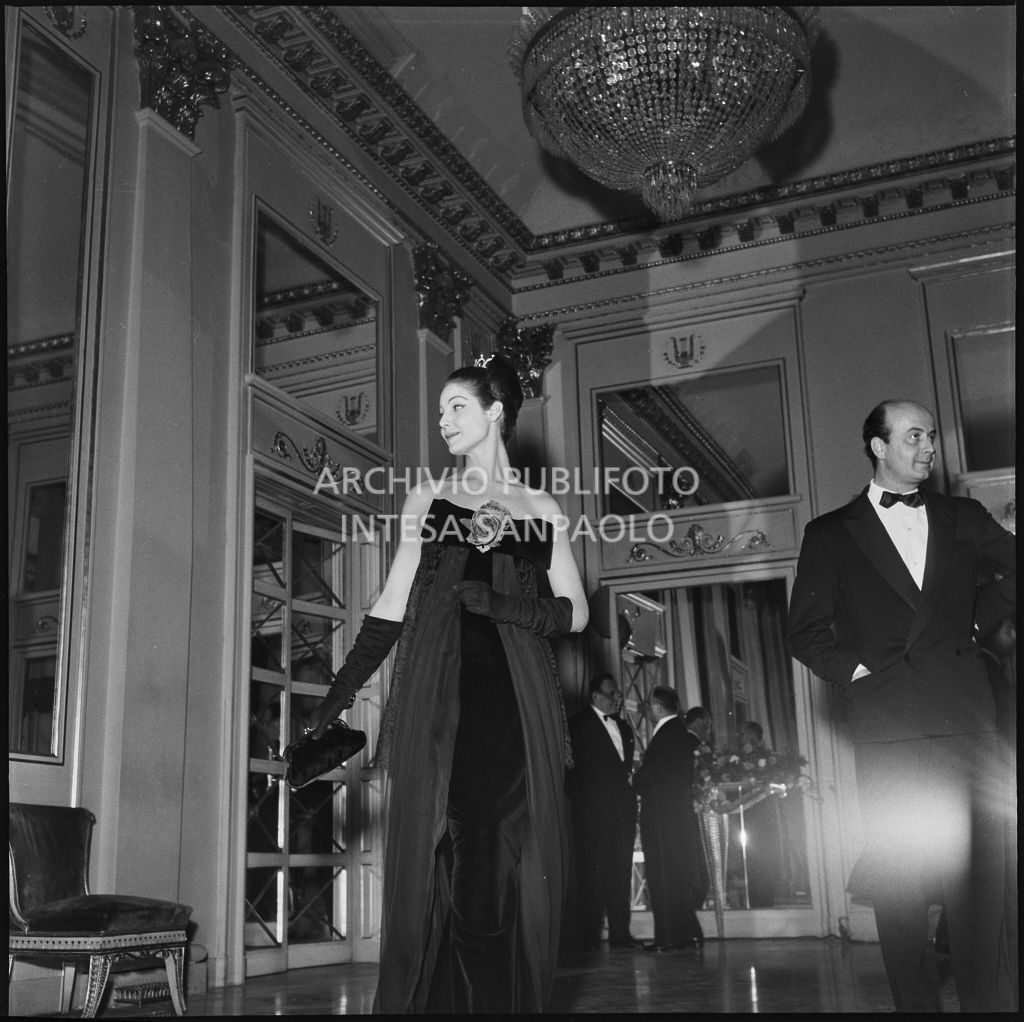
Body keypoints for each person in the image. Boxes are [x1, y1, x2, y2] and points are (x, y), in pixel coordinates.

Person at [306, 354, 588, 1013]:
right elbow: (389, 604)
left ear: (493, 412)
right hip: (439, 708)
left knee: (494, 869)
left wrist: (505, 606)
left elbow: (573, 611)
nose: (443, 421)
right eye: (438, 412)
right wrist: (339, 691)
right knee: (454, 867)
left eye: (455, 407)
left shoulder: (541, 507)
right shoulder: (427, 499)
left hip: (516, 713)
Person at [786, 399, 1016, 1013]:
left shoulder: (962, 516)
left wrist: (983, 627)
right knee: (903, 892)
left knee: (981, 891)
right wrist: (859, 673)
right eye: (914, 436)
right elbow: (803, 631)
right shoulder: (830, 533)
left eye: (932, 436)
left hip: (967, 722)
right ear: (878, 447)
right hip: (890, 729)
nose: (928, 446)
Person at [566, 672, 639, 951]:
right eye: (612, 694)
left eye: (618, 694)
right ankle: (589, 937)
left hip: (622, 814)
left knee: (620, 873)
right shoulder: (577, 725)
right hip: (592, 817)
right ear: (595, 696)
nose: (617, 698)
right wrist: (586, 802)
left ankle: (621, 934)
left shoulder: (624, 726)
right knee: (592, 875)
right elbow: (568, 772)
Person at [633, 692, 709, 952]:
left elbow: (653, 772)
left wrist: (634, 780)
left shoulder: (666, 734)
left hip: (661, 818)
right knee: (674, 876)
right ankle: (687, 933)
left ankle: (669, 937)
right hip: (674, 816)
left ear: (656, 707)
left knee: (662, 876)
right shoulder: (680, 732)